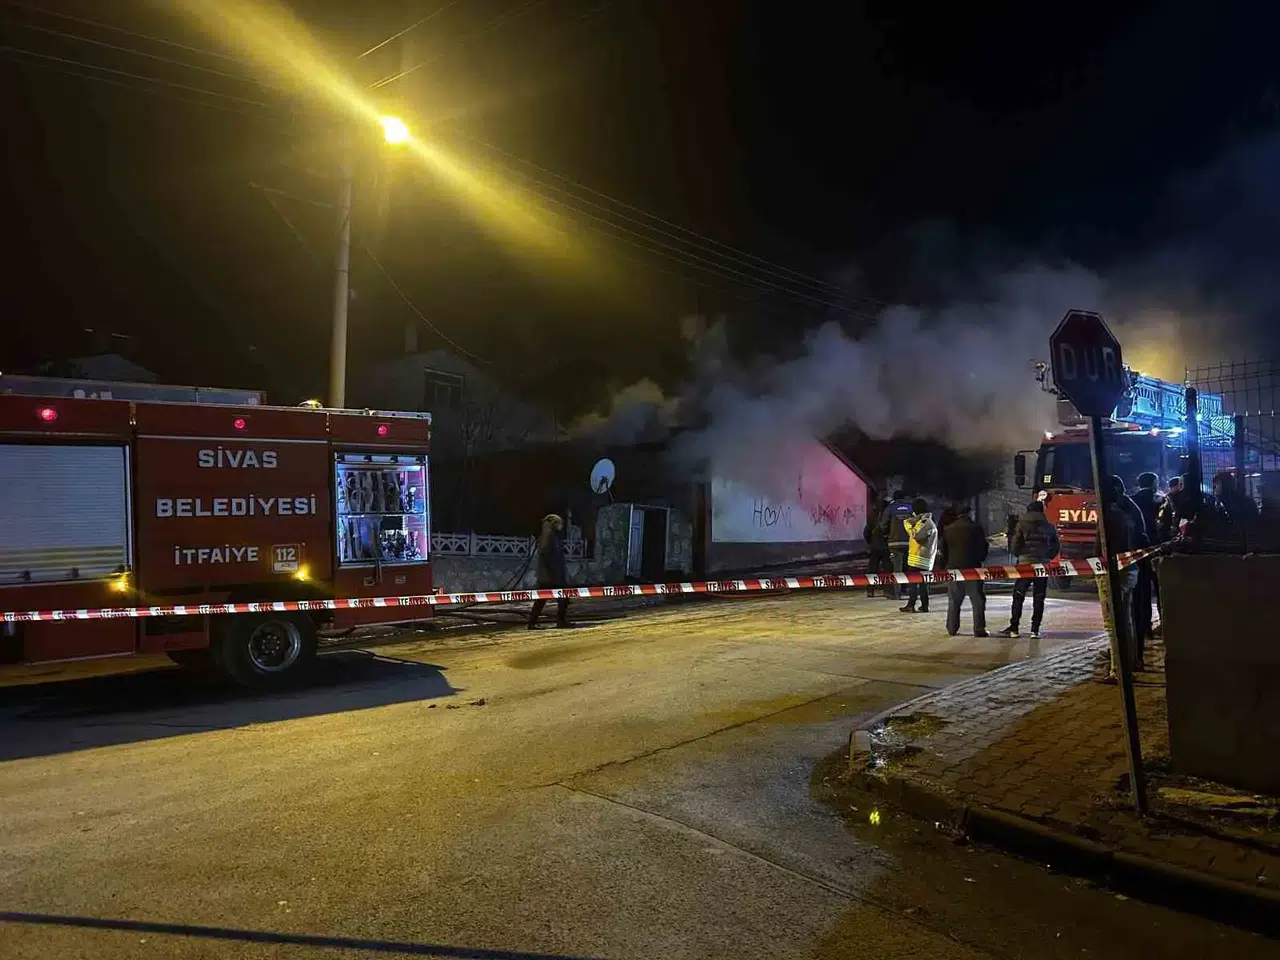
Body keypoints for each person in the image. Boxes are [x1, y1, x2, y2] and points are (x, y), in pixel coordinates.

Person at [998, 500, 1060, 639]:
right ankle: (1035, 630)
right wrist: (1046, 557)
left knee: (1018, 595)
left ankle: (1014, 628)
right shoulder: (1049, 526)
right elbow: (1056, 546)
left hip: (1025, 565)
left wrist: (1021, 556)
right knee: (1039, 597)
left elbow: (1015, 544)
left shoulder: (1021, 524)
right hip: (1042, 566)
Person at [939, 501, 989, 637]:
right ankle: (979, 629)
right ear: (969, 513)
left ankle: (952, 628)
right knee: (977, 600)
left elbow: (943, 550)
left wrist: (948, 563)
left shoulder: (948, 529)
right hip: (973, 569)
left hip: (954, 568)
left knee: (954, 600)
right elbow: (983, 547)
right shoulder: (976, 528)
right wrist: (979, 559)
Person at [1129, 473, 1164, 646]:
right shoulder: (1160, 501)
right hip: (1157, 551)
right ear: (1154, 484)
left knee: (1141, 591)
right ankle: (1164, 624)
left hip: (1138, 552)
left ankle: (1144, 628)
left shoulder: (1131, 501)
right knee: (1160, 589)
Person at [528, 513, 570, 629]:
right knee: (558, 598)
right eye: (560, 523)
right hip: (550, 576)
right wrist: (554, 573)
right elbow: (546, 556)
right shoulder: (548, 536)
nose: (561, 526)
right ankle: (535, 623)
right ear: (554, 524)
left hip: (550, 575)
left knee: (559, 599)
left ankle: (534, 623)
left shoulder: (553, 536)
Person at [900, 498, 938, 613]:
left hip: (919, 558)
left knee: (914, 582)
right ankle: (924, 605)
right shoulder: (927, 521)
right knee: (923, 583)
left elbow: (916, 535)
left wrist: (908, 524)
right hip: (925, 558)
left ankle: (911, 605)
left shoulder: (924, 522)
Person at [880, 490, 915, 600]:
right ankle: (910, 591)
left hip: (895, 543)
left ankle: (897, 593)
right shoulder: (910, 508)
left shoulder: (890, 508)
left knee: (897, 569)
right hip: (909, 543)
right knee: (909, 568)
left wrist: (887, 534)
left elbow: (883, 525)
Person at [863, 492, 891, 597]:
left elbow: (866, 532)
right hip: (886, 546)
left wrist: (871, 542)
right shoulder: (889, 515)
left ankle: (870, 590)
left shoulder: (873, 515)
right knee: (887, 569)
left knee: (872, 569)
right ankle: (887, 590)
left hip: (875, 546)